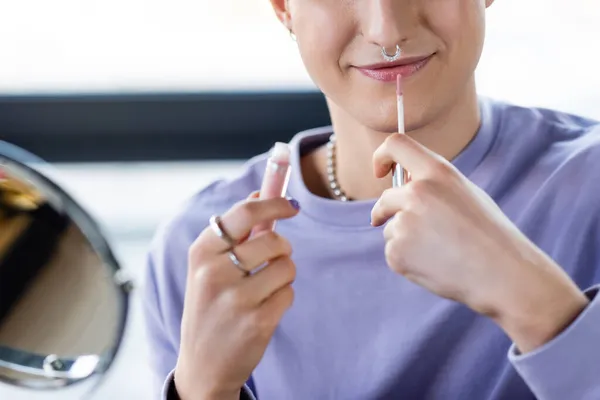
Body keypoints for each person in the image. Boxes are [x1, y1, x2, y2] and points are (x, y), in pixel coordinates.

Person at [142, 0, 600, 399]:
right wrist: (203, 392)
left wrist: (531, 298)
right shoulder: (203, 253)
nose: (387, 30)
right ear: (284, 7)